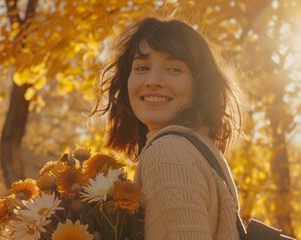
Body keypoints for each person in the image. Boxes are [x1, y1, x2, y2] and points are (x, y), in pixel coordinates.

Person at [92, 17, 244, 240]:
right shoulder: (197, 148)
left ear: (198, 84)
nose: (153, 81)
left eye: (174, 69)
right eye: (142, 67)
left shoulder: (168, 153)